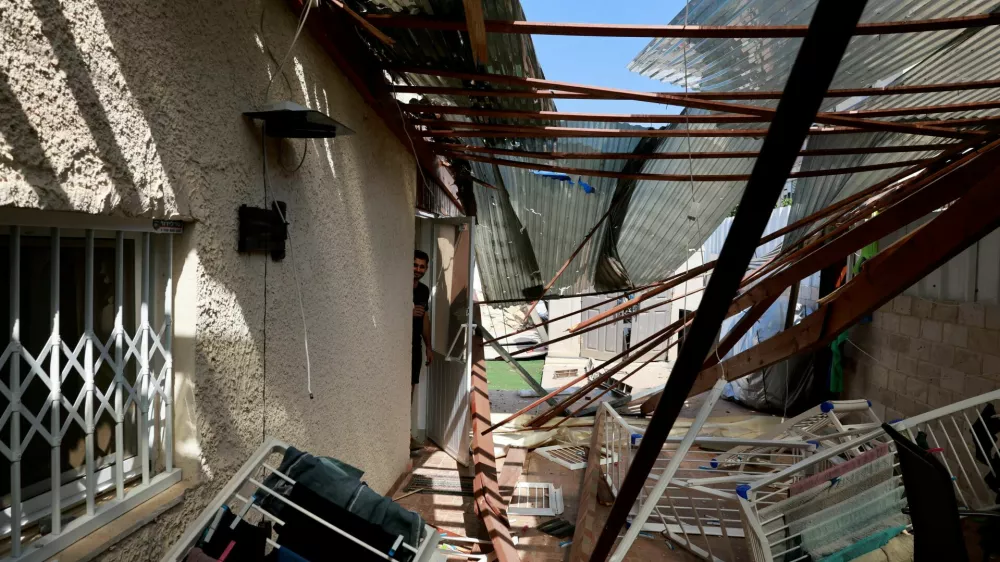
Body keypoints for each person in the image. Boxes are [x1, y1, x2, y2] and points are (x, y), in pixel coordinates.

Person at [412, 250, 432, 400]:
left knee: (410, 388)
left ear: (426, 268)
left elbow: (425, 318)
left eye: (421, 267)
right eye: (415, 265)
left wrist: (429, 348)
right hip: (397, 345)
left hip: (416, 345)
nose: (418, 270)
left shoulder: (424, 290)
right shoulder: (399, 287)